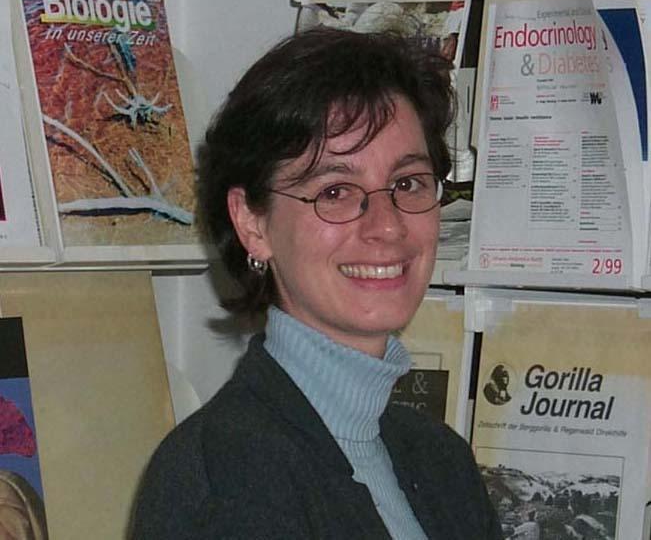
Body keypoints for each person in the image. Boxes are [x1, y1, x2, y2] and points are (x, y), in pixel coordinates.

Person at [130, 27, 503, 539]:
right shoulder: (225, 481)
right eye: (335, 191)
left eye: (408, 183)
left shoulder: (441, 461)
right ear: (252, 224)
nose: (388, 226)